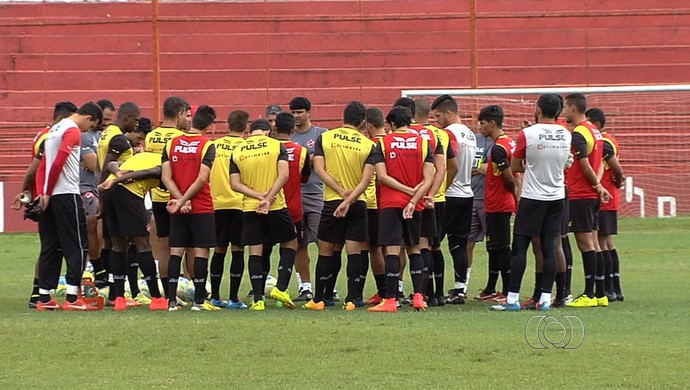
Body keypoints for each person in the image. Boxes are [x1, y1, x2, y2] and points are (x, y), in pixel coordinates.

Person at [491, 94, 572, 311]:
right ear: (559, 112)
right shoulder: (566, 134)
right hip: (556, 196)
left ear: (537, 109)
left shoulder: (527, 134)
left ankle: (512, 299)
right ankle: (545, 298)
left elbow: (516, 166)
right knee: (550, 248)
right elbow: (565, 163)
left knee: (520, 248)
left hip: (533, 197)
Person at [303, 101, 376, 311]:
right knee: (354, 251)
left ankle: (318, 299)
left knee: (326, 251)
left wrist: (341, 193)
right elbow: (366, 180)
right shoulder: (368, 144)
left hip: (331, 201)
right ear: (362, 121)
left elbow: (319, 169)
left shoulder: (325, 138)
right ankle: (352, 300)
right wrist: (350, 197)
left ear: (343, 117)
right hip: (357, 202)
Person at [35, 102, 104, 311]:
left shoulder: (54, 129)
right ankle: (73, 298)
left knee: (50, 245)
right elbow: (58, 164)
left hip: (50, 195)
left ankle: (44, 297)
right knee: (77, 245)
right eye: (91, 126)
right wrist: (47, 192)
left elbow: (44, 165)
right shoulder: (72, 131)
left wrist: (42, 193)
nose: (87, 132)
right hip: (67, 194)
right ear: (89, 118)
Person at [368, 106, 435, 313]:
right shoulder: (424, 143)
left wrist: (405, 191)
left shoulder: (383, 143)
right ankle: (418, 297)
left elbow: (382, 176)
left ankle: (390, 300)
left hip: (391, 203)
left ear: (393, 123)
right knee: (415, 248)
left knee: (392, 250)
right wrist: (413, 199)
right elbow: (429, 178)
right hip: (415, 204)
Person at [11, 101, 78, 308]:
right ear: (61, 118)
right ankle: (38, 292)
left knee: (50, 245)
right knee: (55, 245)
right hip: (49, 195)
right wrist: (26, 191)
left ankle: (40, 294)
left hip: (44, 193)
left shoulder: (42, 134)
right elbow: (35, 169)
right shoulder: (52, 136)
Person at [230, 119, 298, 311]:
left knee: (255, 250)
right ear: (268, 132)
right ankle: (281, 288)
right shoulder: (276, 146)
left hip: (251, 206)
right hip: (276, 205)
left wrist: (258, 196)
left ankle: (258, 299)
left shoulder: (238, 150)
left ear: (250, 132)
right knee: (290, 242)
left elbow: (235, 184)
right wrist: (268, 198)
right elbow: (283, 175)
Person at [161, 105, 219, 312]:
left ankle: (171, 302)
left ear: (192, 120)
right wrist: (186, 200)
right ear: (210, 125)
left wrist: (179, 200)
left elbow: (166, 177)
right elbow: (202, 178)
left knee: (176, 250)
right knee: (201, 251)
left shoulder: (171, 143)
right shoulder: (207, 145)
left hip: (176, 206)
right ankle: (199, 301)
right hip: (201, 205)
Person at [97, 151, 168, 311]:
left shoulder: (141, 157)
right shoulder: (166, 162)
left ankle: (119, 298)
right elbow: (150, 172)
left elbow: (111, 164)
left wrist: (115, 177)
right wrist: (117, 180)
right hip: (126, 192)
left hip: (109, 193)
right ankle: (157, 298)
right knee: (143, 244)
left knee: (118, 245)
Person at [562, 93, 611, 308]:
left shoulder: (579, 133)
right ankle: (600, 294)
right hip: (591, 195)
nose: (564, 112)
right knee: (594, 243)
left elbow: (584, 165)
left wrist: (596, 186)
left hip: (580, 195)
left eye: (566, 108)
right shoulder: (596, 132)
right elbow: (600, 164)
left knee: (586, 245)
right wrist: (598, 186)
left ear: (573, 108)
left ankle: (589, 295)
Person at [431, 94, 477, 304]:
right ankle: (460, 289)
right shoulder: (470, 133)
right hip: (467, 194)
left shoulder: (448, 134)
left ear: (449, 113)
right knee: (459, 244)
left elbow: (451, 165)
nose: (437, 120)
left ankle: (429, 288)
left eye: (439, 116)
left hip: (450, 195)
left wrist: (440, 188)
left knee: (432, 242)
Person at [145, 96, 191, 300]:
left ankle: (167, 295)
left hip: (157, 196)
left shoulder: (151, 136)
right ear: (180, 113)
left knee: (163, 247)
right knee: (187, 245)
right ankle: (194, 290)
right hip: (177, 196)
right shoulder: (180, 138)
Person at [415, 98, 457, 307]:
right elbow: (452, 166)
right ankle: (438, 294)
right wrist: (439, 189)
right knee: (436, 246)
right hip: (437, 197)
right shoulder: (440, 134)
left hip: (415, 197)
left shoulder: (407, 134)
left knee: (417, 245)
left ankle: (422, 292)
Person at [289, 96, 329, 301]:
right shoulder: (289, 136)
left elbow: (326, 162)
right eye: (293, 113)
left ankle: (327, 283)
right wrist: (309, 159)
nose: (296, 116)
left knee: (324, 240)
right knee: (299, 243)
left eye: (299, 112)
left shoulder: (321, 134)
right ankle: (305, 286)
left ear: (309, 112)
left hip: (316, 193)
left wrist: (302, 159)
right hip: (295, 196)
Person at [208, 109, 249, 309]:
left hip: (217, 204)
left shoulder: (214, 146)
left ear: (227, 124)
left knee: (219, 250)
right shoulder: (246, 147)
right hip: (240, 204)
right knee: (238, 250)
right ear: (246, 127)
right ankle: (234, 298)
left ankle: (215, 296)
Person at [476, 105, 517, 302]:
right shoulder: (509, 143)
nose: (480, 127)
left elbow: (509, 179)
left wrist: (514, 196)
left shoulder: (499, 148)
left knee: (501, 247)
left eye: (482, 124)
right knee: (493, 246)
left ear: (492, 123)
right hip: (495, 203)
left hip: (499, 203)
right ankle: (492, 287)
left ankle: (508, 291)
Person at [586, 108, 625, 301]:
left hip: (604, 198)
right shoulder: (609, 139)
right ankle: (614, 288)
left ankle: (608, 288)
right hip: (609, 197)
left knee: (601, 243)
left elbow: (617, 168)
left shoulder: (604, 142)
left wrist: (617, 181)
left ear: (597, 124)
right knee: (606, 243)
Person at [83, 99, 114, 288]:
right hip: (86, 188)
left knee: (104, 226)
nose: (107, 123)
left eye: (111, 120)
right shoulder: (86, 136)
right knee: (95, 222)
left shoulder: (104, 136)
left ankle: (101, 267)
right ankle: (94, 266)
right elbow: (96, 166)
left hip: (101, 188)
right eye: (105, 119)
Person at [362, 107, 387, 305]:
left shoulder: (370, 145)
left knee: (375, 248)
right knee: (395, 248)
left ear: (369, 126)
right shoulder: (392, 142)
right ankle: (397, 288)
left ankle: (384, 291)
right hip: (396, 201)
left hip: (374, 204)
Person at [468, 128, 494, 301]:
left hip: (489, 200)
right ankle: (462, 285)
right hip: (470, 197)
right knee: (467, 243)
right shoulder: (472, 140)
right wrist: (479, 168)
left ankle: (492, 287)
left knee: (494, 246)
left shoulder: (495, 142)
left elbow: (491, 168)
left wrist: (475, 167)